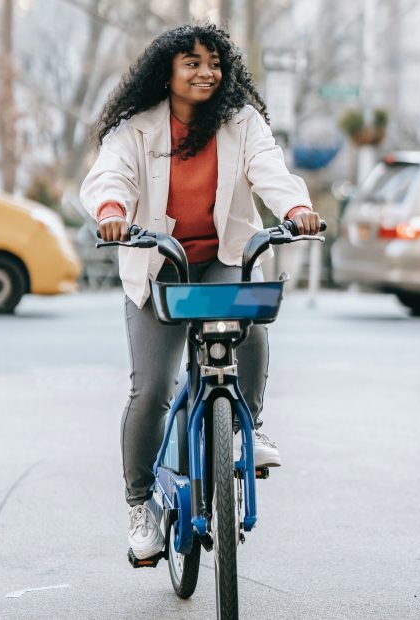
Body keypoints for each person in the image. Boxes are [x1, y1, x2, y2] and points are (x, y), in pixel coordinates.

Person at [79, 23, 320, 561]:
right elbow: (109, 176)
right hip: (159, 266)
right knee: (153, 391)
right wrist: (113, 212)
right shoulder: (136, 128)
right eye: (191, 62)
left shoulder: (241, 122)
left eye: (214, 63)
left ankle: (249, 428)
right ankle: (140, 505)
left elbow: (269, 169)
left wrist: (296, 209)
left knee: (249, 318)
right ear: (166, 72)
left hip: (218, 258)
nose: (205, 72)